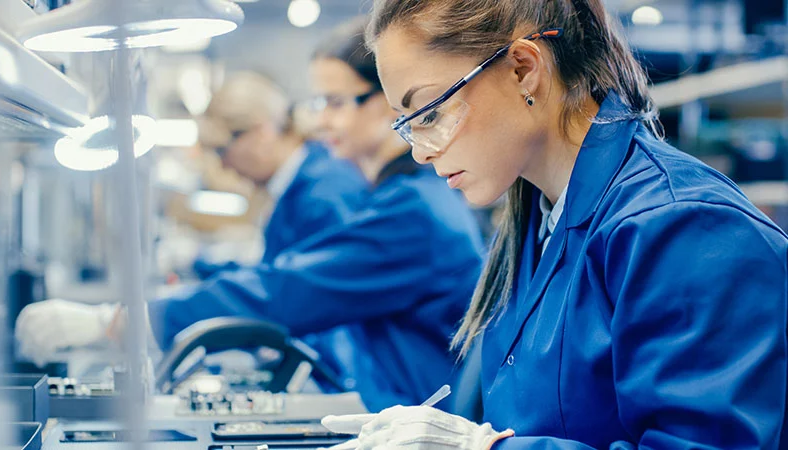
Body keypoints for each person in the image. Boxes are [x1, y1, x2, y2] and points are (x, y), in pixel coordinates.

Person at [319, 0, 788, 449]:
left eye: (431, 113)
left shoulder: (686, 228)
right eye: (406, 124)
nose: (420, 151)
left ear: (524, 68)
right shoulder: (537, 217)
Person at [15, 21, 484, 412]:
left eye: (335, 104)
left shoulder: (413, 214)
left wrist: (121, 321)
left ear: (389, 101)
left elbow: (288, 292)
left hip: (419, 409)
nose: (318, 122)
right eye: (319, 103)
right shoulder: (400, 199)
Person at [190, 72, 368, 276]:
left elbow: (314, 286)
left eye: (223, 150)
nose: (224, 165)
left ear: (261, 133)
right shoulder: (298, 186)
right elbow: (279, 273)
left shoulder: (324, 192)